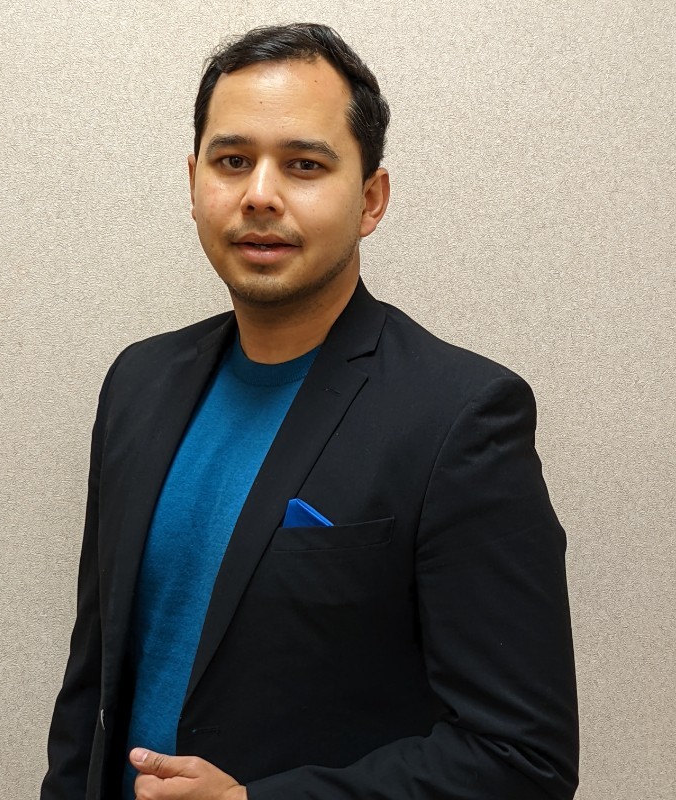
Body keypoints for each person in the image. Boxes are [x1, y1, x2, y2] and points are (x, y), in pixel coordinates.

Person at [41, 22, 579, 800]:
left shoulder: (459, 418)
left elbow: (521, 759)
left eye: (304, 165)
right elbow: (91, 688)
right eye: (232, 161)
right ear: (194, 183)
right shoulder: (139, 382)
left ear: (370, 199)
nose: (260, 194)